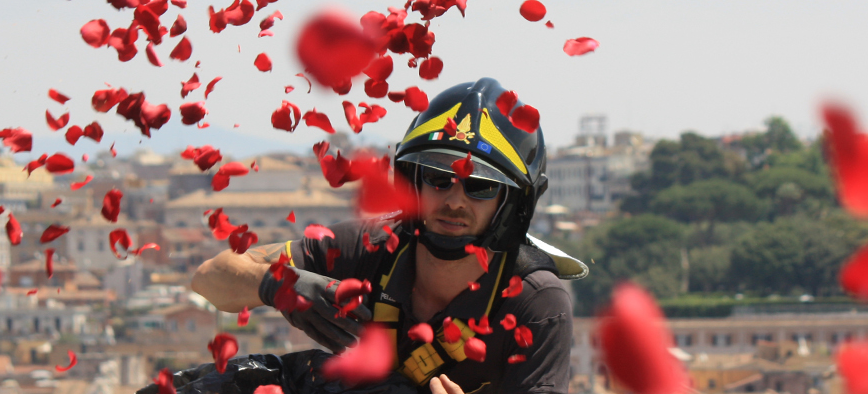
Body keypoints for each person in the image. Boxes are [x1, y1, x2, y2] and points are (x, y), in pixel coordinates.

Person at [191, 78, 588, 394]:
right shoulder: (371, 246)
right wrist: (275, 283)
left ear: (513, 203)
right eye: (438, 177)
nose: (454, 200)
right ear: (413, 181)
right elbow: (209, 278)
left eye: (479, 186)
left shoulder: (535, 303)